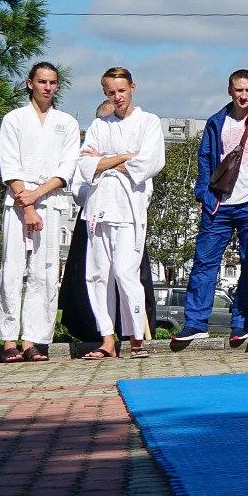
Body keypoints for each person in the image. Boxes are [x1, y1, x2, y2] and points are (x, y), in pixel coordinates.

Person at [178, 70, 248, 347]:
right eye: (238, 90)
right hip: (219, 204)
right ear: (230, 90)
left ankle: (241, 324)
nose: (243, 95)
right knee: (204, 262)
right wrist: (204, 194)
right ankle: (196, 323)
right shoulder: (216, 122)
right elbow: (205, 159)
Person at [76, 67, 165, 360]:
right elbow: (85, 166)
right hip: (99, 209)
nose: (117, 97)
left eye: (122, 90)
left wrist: (105, 163)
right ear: (106, 93)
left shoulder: (148, 122)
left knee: (127, 273)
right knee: (98, 274)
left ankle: (136, 337)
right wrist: (123, 157)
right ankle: (106, 338)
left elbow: (149, 163)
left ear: (132, 88)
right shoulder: (100, 126)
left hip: (130, 209)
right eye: (111, 92)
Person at [0, 62, 79, 363]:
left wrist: (39, 194)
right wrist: (27, 203)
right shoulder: (14, 119)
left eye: (53, 82)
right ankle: (8, 340)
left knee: (44, 274)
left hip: (52, 201)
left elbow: (67, 168)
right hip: (18, 202)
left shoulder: (67, 123)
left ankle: (33, 340)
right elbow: (9, 165)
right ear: (30, 83)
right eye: (41, 81)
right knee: (13, 270)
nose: (47, 87)